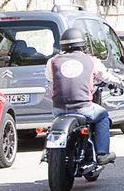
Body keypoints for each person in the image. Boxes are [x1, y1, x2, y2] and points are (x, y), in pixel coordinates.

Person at [46, 27, 115, 164]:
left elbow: (49, 77)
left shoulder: (53, 61)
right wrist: (119, 80)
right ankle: (102, 153)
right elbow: (105, 76)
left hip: (59, 109)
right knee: (103, 116)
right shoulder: (91, 60)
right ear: (82, 44)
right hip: (83, 107)